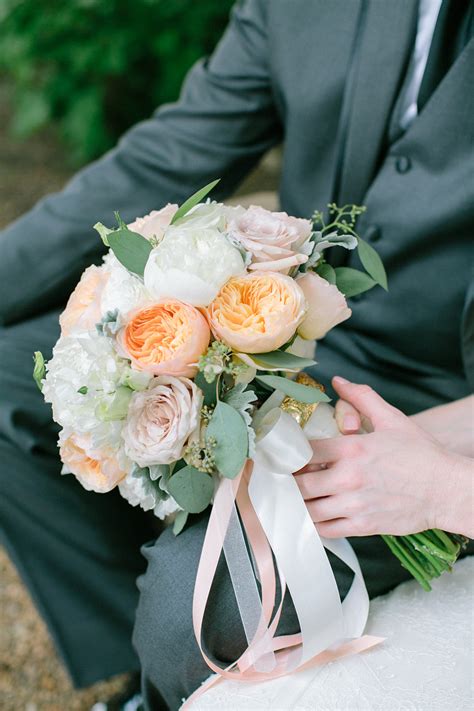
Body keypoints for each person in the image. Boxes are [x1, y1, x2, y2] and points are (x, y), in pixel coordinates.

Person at [0, 0, 472, 709]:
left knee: (192, 611)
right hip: (285, 338)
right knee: (10, 388)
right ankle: (139, 680)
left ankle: (176, 651)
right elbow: (167, 156)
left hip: (442, 400)